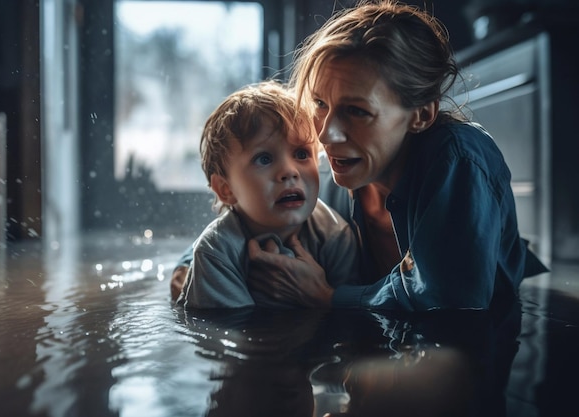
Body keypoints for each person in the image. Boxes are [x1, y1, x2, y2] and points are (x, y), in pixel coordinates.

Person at [172, 0, 547, 311]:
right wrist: (193, 263)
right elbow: (252, 213)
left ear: (420, 115)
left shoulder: (458, 162)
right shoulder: (340, 166)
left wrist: (325, 297)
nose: (325, 133)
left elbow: (454, 303)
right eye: (320, 103)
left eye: (356, 111)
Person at [175, 80, 361, 308]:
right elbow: (224, 335)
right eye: (264, 159)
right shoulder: (215, 252)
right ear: (226, 189)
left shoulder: (336, 236)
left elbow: (353, 321)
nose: (289, 171)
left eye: (302, 154)